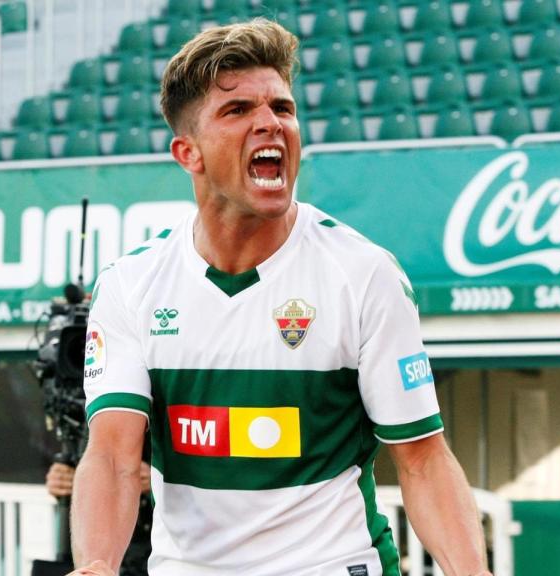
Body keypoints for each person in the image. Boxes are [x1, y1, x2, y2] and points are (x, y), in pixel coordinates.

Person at [66, 18, 490, 576]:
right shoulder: (131, 282)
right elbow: (113, 458)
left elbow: (423, 459)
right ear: (188, 153)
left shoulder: (364, 273)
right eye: (238, 110)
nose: (270, 123)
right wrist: (96, 564)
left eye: (282, 108)